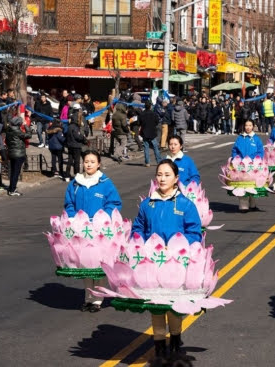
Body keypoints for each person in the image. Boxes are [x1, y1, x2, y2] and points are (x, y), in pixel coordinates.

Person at [131, 159, 202, 358]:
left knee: (173, 304)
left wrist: (177, 247)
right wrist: (141, 244)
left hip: (176, 263)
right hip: (152, 262)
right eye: (159, 174)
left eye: (167, 175)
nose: (162, 178)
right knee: (156, 305)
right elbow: (138, 229)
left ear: (176, 179)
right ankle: (159, 343)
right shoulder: (147, 204)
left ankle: (176, 338)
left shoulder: (186, 204)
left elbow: (194, 232)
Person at [64, 150, 122, 313]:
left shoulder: (105, 183)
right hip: (80, 229)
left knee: (97, 267)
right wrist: (73, 218)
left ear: (99, 164)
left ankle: (97, 300)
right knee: (85, 266)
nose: (88, 164)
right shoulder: (75, 183)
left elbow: (114, 203)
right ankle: (88, 298)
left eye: (92, 161)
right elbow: (69, 204)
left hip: (99, 230)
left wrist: (102, 218)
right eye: (86, 161)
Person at [231, 120, 264, 212]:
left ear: (253, 126)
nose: (248, 127)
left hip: (252, 165)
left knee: (251, 184)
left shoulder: (256, 139)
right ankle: (243, 205)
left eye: (250, 125)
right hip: (241, 165)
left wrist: (255, 160)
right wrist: (236, 159)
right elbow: (234, 150)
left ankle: (252, 203)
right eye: (246, 125)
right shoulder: (240, 138)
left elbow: (260, 151)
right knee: (242, 185)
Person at [5, 116, 31, 196]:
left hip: (11, 153)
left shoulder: (8, 130)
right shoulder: (17, 131)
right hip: (18, 154)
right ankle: (12, 189)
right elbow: (28, 135)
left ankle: (11, 187)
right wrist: (26, 125)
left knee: (13, 171)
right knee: (16, 172)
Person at [65, 109, 88, 181]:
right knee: (76, 161)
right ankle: (77, 175)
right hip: (76, 145)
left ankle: (67, 175)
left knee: (70, 160)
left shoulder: (69, 127)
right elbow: (78, 136)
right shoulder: (75, 127)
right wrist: (84, 139)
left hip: (70, 145)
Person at [139, 100, 162, 167]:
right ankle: (158, 161)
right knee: (155, 147)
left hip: (145, 132)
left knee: (146, 147)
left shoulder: (142, 114)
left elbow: (139, 122)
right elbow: (157, 122)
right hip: (152, 132)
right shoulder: (154, 114)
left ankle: (147, 162)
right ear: (150, 106)